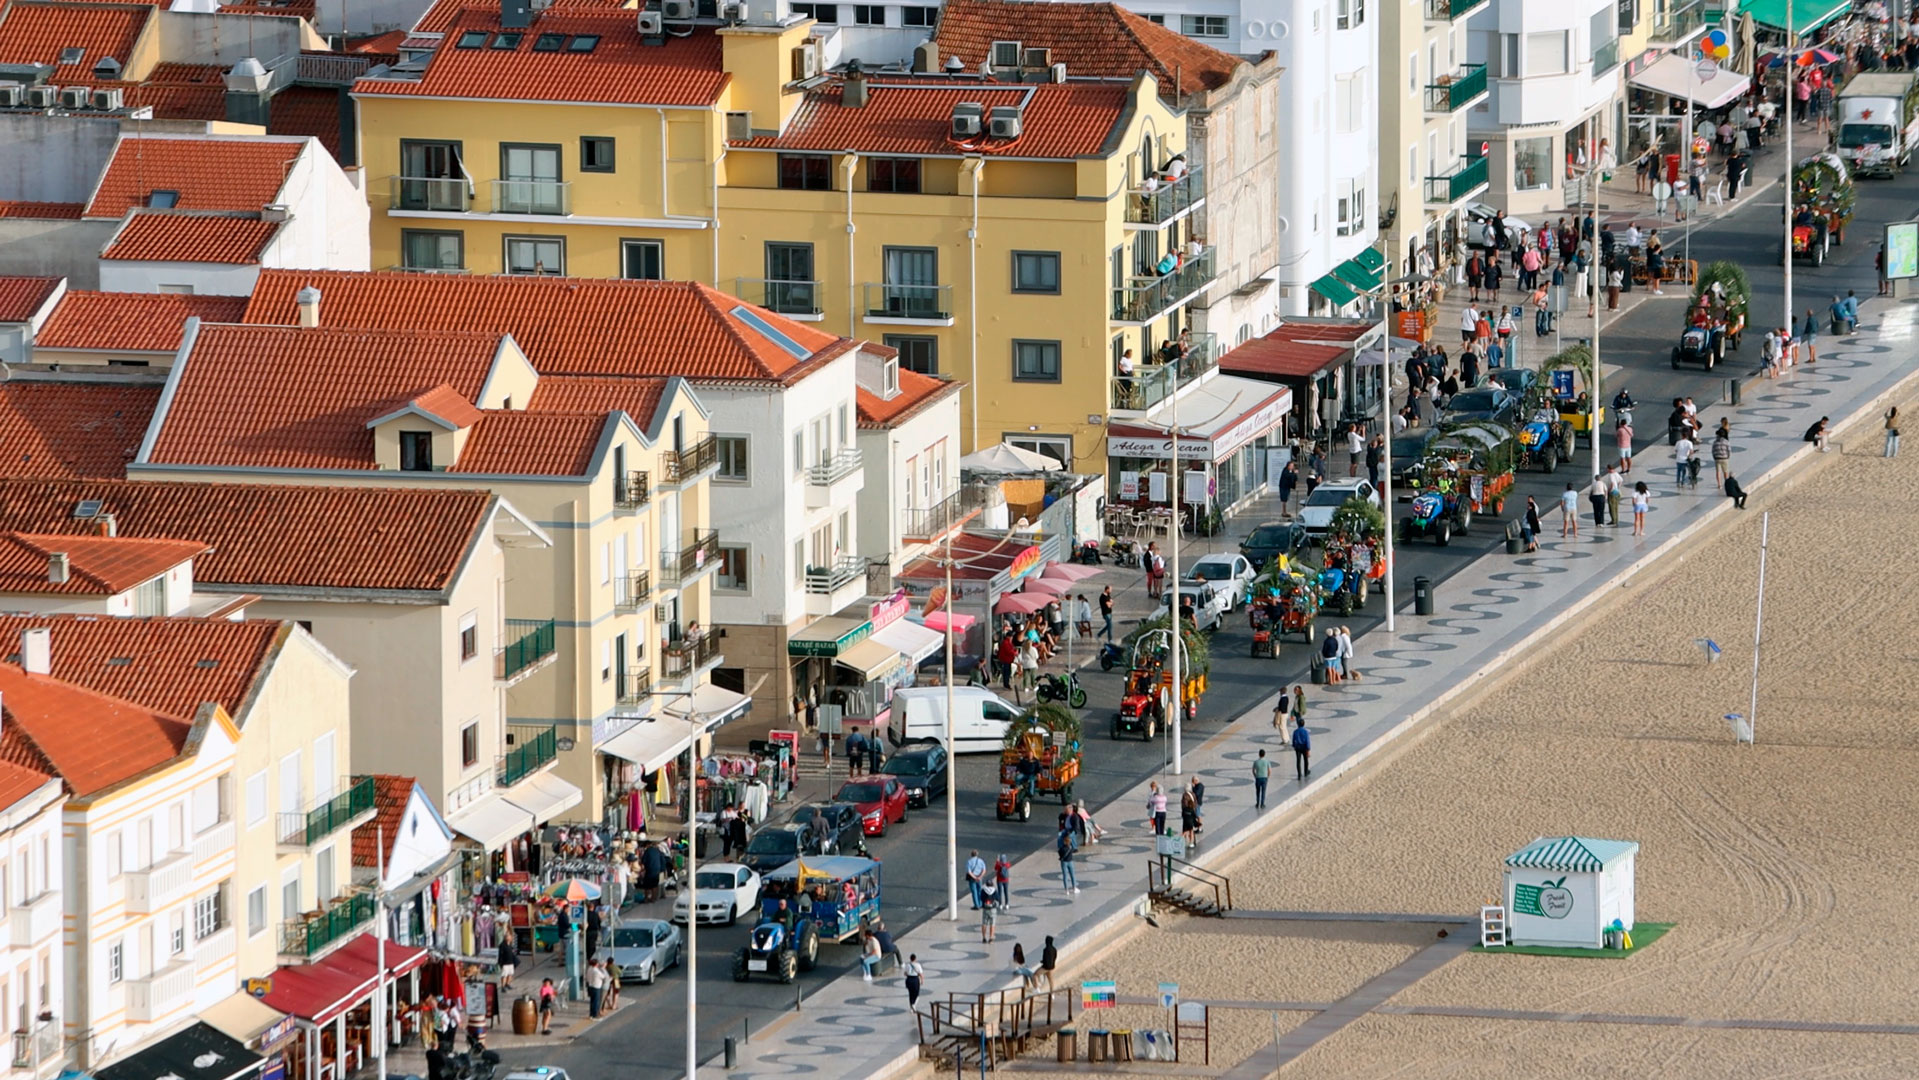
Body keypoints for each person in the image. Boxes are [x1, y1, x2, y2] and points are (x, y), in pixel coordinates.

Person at [1057, 823, 1080, 893]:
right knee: (1072, 875)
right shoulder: (1070, 848)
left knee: (1065, 876)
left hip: (1063, 862)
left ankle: (1066, 890)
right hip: (1070, 861)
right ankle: (1074, 888)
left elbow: (1059, 853)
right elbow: (1073, 850)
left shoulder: (1061, 848)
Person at [585, 954, 609, 1018]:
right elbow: (603, 977)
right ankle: (595, 1014)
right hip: (596, 987)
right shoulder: (596, 971)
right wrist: (603, 968)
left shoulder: (589, 969)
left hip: (590, 986)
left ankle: (591, 1013)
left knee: (592, 1001)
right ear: (596, 964)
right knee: (596, 1001)